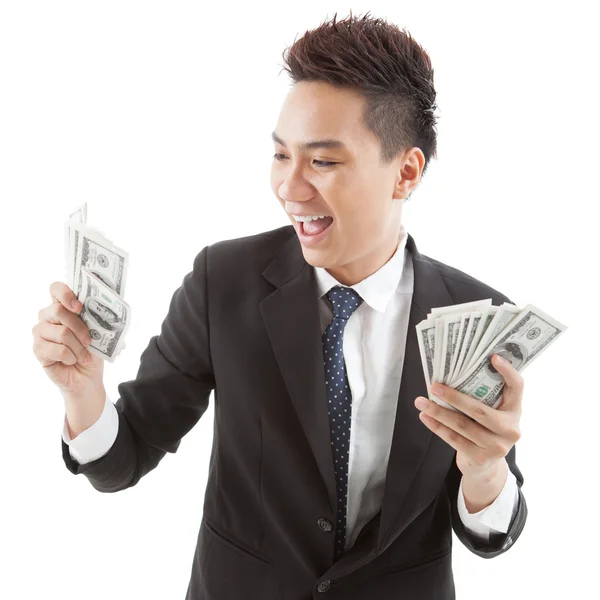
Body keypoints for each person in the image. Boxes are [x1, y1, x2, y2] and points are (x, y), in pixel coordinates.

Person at [32, 11, 527, 599]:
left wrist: (485, 469)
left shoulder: (476, 314)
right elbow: (123, 459)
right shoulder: (224, 282)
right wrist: (83, 392)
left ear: (406, 172)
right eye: (280, 155)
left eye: (322, 161)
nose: (289, 188)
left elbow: (490, 534)